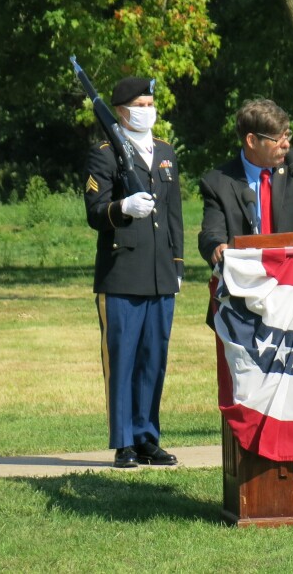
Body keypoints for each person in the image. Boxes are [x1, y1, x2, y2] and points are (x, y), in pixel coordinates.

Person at [84, 76, 183, 468]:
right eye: (140, 104)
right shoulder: (105, 154)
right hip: (123, 271)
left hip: (160, 272)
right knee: (122, 358)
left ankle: (147, 437)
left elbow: (173, 214)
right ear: (122, 111)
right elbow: (95, 212)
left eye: (150, 102)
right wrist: (122, 209)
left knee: (152, 360)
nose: (147, 110)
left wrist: (177, 266)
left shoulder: (165, 152)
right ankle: (123, 441)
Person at [198, 98, 293, 268]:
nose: (287, 144)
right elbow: (211, 233)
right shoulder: (218, 183)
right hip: (246, 280)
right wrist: (216, 247)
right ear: (252, 141)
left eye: (287, 134)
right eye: (277, 139)